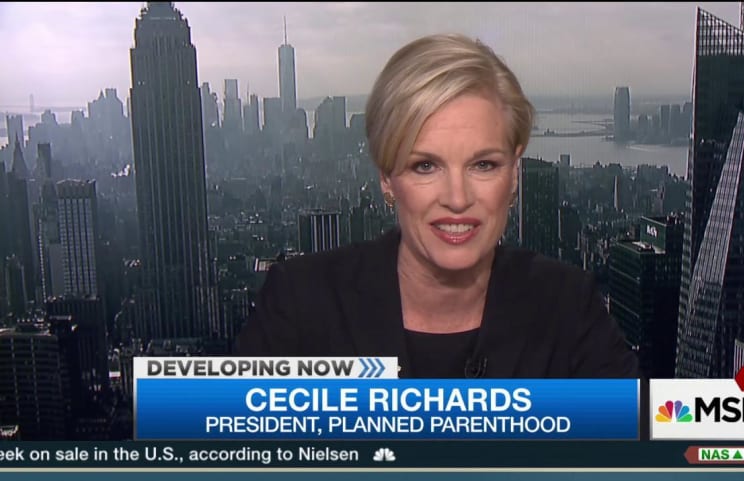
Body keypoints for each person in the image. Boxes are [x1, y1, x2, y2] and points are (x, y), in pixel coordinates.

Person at [235, 33, 638, 378]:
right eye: (425, 166)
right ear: (387, 178)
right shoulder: (300, 303)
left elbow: (661, 429)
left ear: (514, 175)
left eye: (483, 165)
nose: (457, 198)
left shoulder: (568, 306)